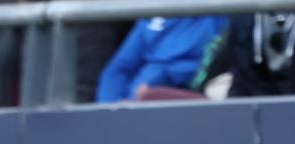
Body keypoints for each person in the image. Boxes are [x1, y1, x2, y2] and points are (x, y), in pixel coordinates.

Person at [96, 15, 226, 102]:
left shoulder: (222, 14)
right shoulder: (156, 13)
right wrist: (110, 109)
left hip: (181, 104)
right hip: (132, 107)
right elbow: (120, 68)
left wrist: (156, 84)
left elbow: (203, 66)